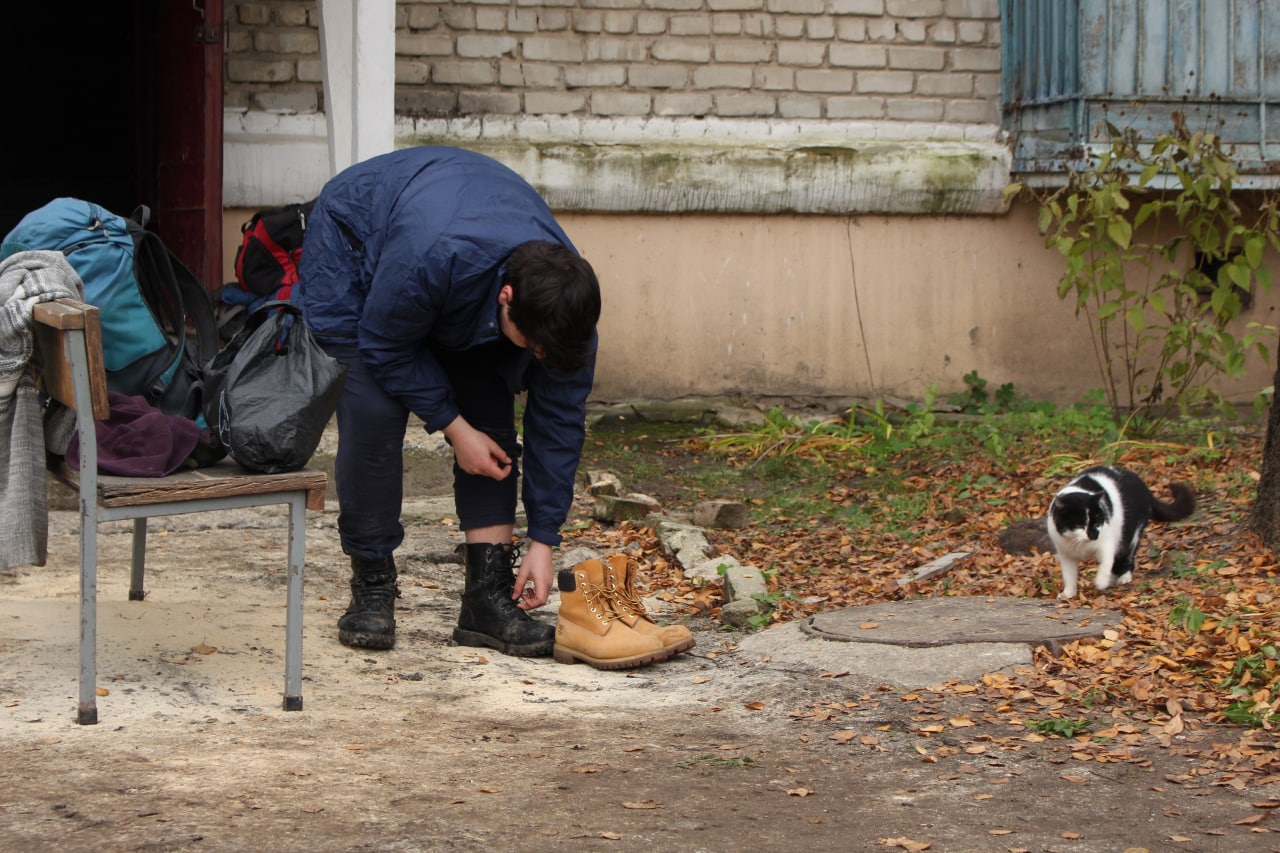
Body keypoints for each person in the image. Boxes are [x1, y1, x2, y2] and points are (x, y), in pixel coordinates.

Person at [295, 146, 601, 657]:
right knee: (374, 411)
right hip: (357, 244)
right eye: (538, 346)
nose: (544, 357)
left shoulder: (565, 314)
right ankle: (372, 584)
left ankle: (485, 601)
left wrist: (544, 540)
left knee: (489, 407)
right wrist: (453, 428)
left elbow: (560, 421)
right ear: (506, 298)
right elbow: (386, 345)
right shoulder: (432, 255)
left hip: (455, 258)